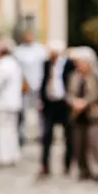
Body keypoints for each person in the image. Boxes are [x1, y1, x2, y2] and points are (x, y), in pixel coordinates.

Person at [66, 47, 98, 182]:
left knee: (94, 143)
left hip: (92, 114)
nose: (79, 65)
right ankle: (83, 170)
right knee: (79, 144)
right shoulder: (74, 76)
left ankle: (96, 169)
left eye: (81, 62)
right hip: (77, 114)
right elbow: (69, 93)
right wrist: (74, 102)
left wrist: (86, 102)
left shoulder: (97, 75)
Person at [0, 37, 24, 166]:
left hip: (2, 103)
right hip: (15, 102)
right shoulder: (15, 64)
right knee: (12, 130)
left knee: (2, 130)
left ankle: (4, 156)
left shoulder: (1, 65)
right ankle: (13, 154)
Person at [39, 40, 75, 177]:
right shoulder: (46, 64)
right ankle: (45, 165)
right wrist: (42, 99)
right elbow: (44, 81)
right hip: (50, 103)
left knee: (68, 136)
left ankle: (67, 164)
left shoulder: (69, 64)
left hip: (64, 103)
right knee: (46, 135)